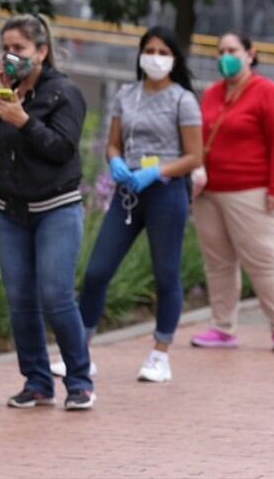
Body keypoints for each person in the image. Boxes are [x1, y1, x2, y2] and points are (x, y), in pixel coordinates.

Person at [0, 14, 94, 410]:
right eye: (6, 48)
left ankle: (80, 381)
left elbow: (61, 149)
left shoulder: (65, 93)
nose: (10, 56)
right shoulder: (9, 91)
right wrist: (0, 99)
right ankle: (37, 382)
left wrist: (23, 121)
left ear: (41, 51)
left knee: (56, 297)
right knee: (20, 299)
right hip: (12, 213)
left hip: (56, 208)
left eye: (19, 49)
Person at [77, 26, 202, 382]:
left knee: (166, 275)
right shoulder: (126, 94)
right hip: (128, 192)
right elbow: (113, 143)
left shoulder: (183, 100)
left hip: (165, 191)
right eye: (150, 50)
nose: (156, 58)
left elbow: (194, 155)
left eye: (164, 52)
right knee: (98, 270)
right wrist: (115, 161)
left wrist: (159, 171)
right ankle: (80, 350)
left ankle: (160, 354)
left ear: (174, 59)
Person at [188, 33, 274, 352]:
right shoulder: (211, 93)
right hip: (208, 192)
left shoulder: (267, 92)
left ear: (250, 54)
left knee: (263, 261)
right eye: (220, 51)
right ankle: (223, 328)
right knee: (218, 262)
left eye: (232, 50)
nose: (225, 56)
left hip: (251, 191)